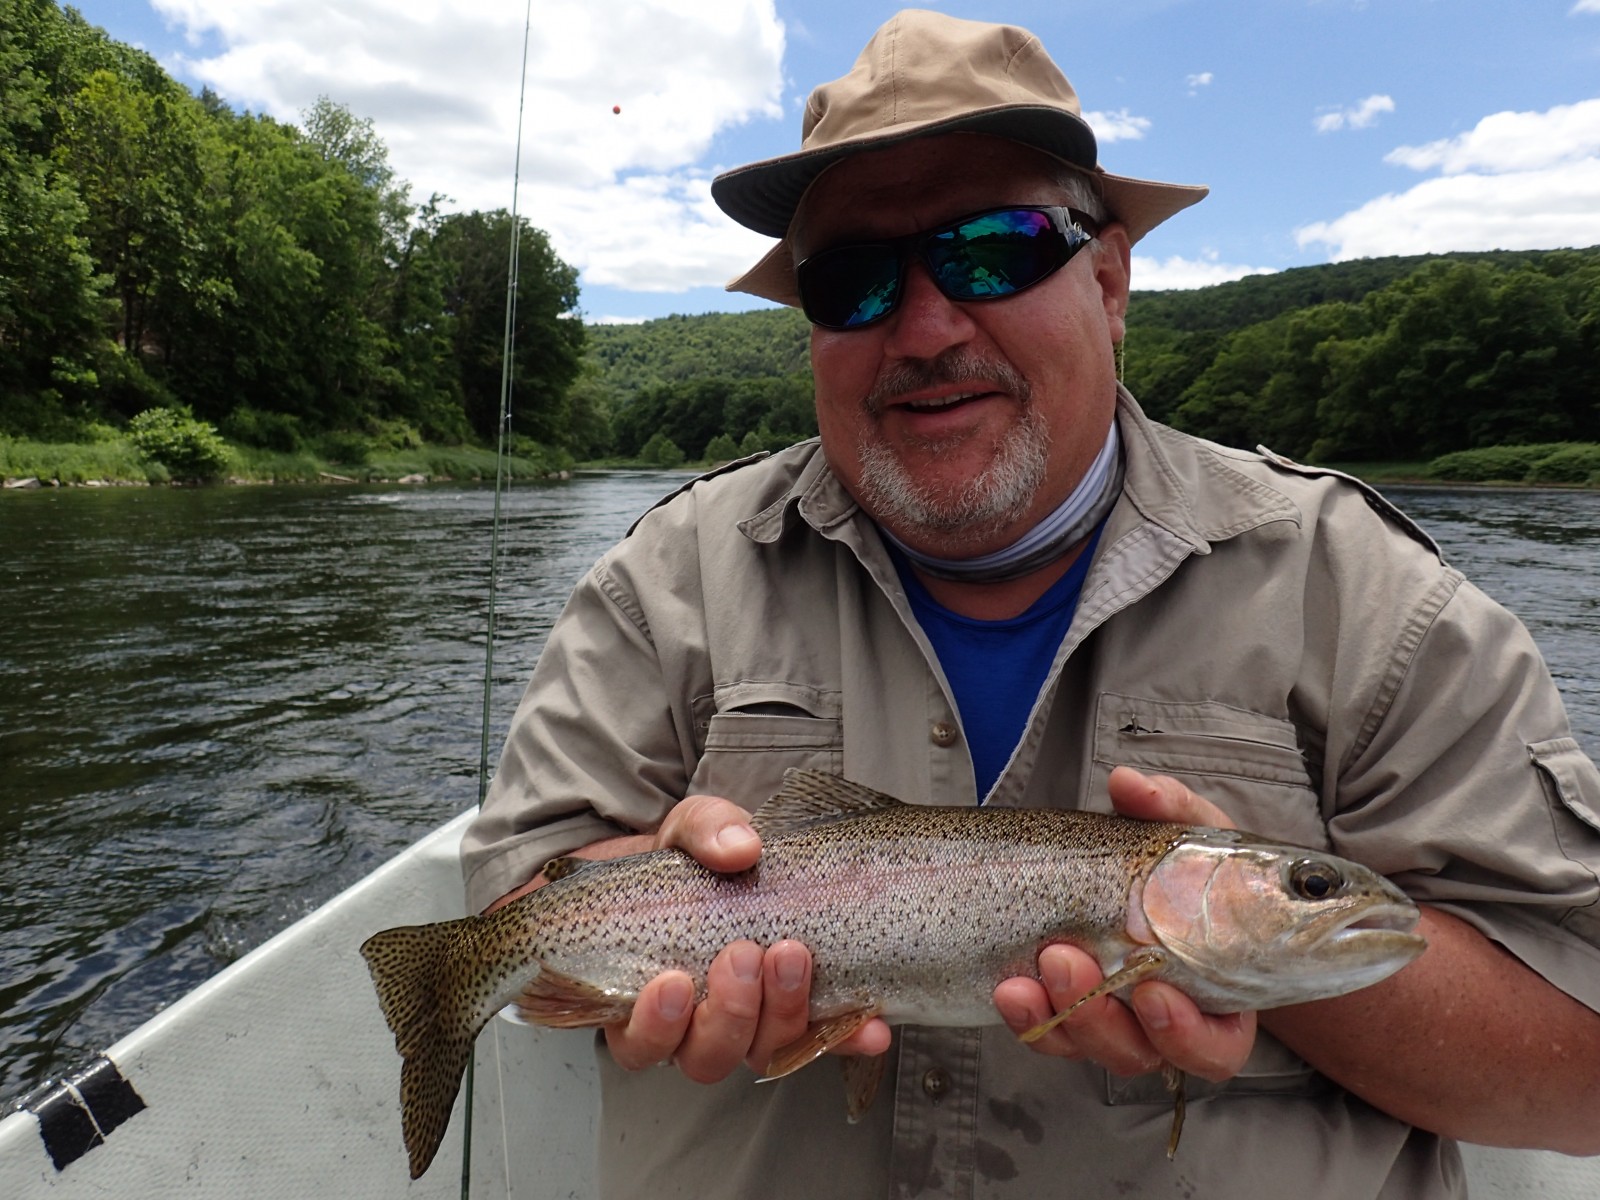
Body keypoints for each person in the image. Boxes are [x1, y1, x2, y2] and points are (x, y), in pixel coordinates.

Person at [462, 10, 1600, 1197]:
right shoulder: (665, 580)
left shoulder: (1367, 597)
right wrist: (672, 903)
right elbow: (506, 902)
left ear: (1108, 281)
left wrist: (1247, 969)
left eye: (992, 251)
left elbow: (1581, 1071)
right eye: (850, 280)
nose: (926, 325)